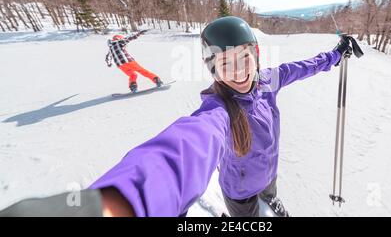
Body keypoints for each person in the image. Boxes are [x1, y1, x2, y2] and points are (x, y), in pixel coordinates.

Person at [0, 17, 356, 217]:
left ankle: (272, 197)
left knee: (270, 188)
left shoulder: (269, 80)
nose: (239, 69)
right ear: (213, 69)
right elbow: (180, 152)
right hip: (240, 192)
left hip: (268, 174)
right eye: (225, 62)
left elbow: (304, 67)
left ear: (256, 54)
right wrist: (122, 203)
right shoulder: (217, 112)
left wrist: (335, 55)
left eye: (245, 57)